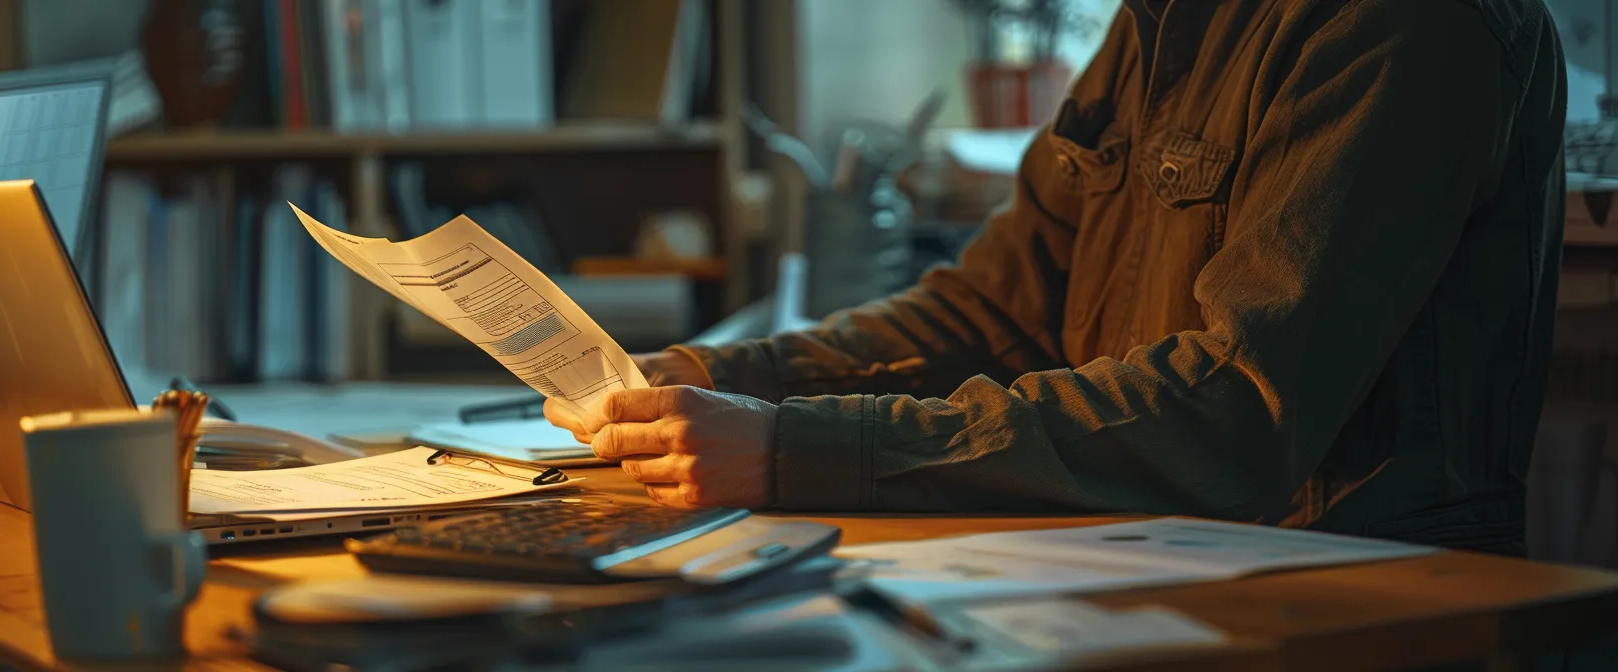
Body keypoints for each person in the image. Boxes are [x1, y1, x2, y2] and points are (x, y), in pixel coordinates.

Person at [546, 0, 1566, 555]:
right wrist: (722, 377)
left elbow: (1235, 408)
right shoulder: (1158, 24)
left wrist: (792, 447)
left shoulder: (1403, 25)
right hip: (1140, 546)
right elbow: (991, 311)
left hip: (1358, 586)